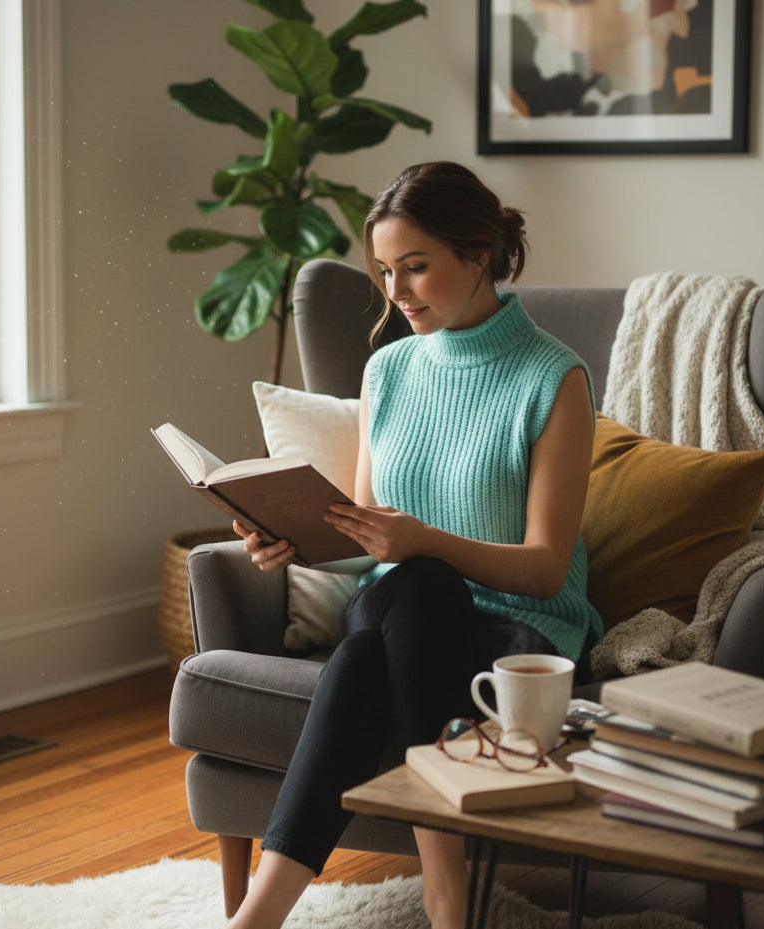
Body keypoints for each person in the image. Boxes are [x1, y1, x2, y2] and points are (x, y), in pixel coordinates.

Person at [229, 161, 603, 929]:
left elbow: (545, 567)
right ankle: (437, 904)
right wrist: (291, 544)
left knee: (398, 614)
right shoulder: (388, 369)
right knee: (406, 591)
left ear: (480, 252)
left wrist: (425, 541)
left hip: (512, 635)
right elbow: (367, 534)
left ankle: (298, 914)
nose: (397, 293)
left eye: (417, 267)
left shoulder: (554, 378)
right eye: (386, 271)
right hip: (399, 610)